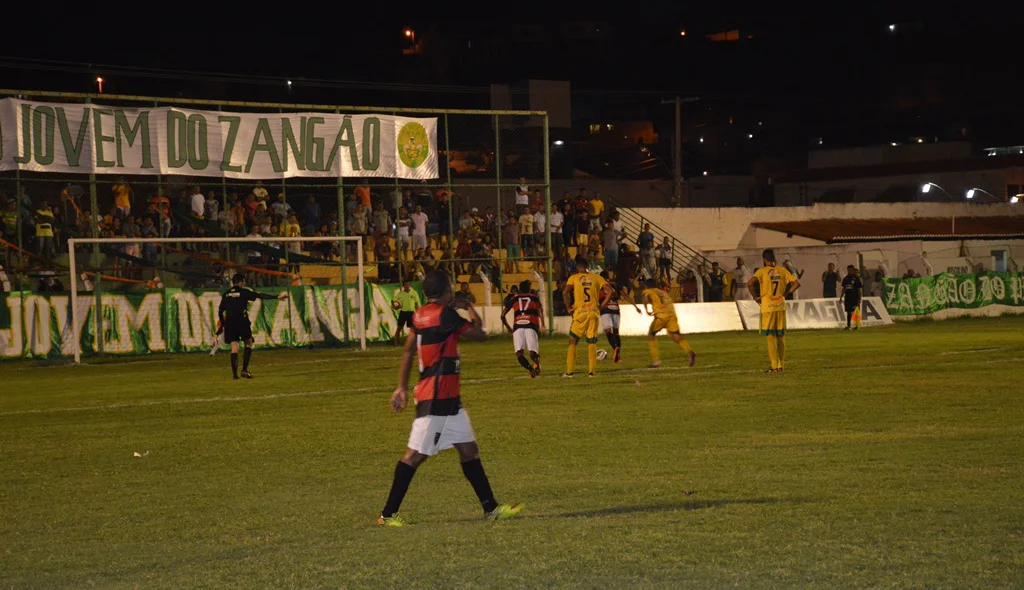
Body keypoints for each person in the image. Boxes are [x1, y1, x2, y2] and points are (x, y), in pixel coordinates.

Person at [378, 271, 522, 526]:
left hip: (446, 397)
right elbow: (480, 334)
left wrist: (401, 387)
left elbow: (409, 349)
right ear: (446, 291)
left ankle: (490, 508)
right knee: (413, 456)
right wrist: (468, 307)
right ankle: (387, 514)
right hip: (436, 397)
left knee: (469, 450)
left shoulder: (420, 314)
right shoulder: (445, 315)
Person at [217, 274, 288, 379]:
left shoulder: (226, 294)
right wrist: (276, 297)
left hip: (230, 323)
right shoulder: (243, 292)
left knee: (234, 347)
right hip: (242, 321)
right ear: (241, 282)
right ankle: (244, 370)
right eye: (243, 281)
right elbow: (259, 295)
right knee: (249, 343)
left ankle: (235, 375)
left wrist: (223, 324)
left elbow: (220, 311)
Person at [747, 249, 800, 374]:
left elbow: (749, 284)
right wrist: (786, 294)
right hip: (780, 306)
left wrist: (755, 297)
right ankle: (781, 365)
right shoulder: (782, 270)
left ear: (764, 259)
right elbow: (796, 284)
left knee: (770, 337)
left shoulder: (761, 271)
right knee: (780, 337)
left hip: (768, 307)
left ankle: (774, 366)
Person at [562, 255, 610, 378]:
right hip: (593, 312)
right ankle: (592, 372)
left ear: (578, 267)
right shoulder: (597, 278)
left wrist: (568, 308)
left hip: (580, 313)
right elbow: (610, 291)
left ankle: (569, 372)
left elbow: (564, 292)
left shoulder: (573, 278)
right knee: (591, 341)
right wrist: (601, 305)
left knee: (573, 341)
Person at [638, 278, 695, 368]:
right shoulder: (662, 292)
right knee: (675, 336)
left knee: (651, 335)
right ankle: (689, 351)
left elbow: (644, 297)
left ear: (647, 285)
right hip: (672, 314)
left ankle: (656, 362)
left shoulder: (647, 290)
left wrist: (646, 310)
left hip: (661, 315)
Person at [501, 279, 545, 378]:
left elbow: (502, 316)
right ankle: (536, 365)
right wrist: (543, 324)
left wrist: (508, 328)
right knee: (533, 352)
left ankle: (530, 369)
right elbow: (540, 310)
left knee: (519, 354)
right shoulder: (534, 297)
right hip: (531, 324)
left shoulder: (514, 298)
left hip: (518, 326)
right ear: (529, 289)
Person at [598, 271, 629, 363]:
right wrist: (635, 306)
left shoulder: (599, 285)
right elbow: (625, 295)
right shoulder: (615, 284)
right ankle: (618, 356)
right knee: (616, 332)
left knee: (608, 331)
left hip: (605, 309)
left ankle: (615, 347)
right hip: (616, 309)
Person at [391, 281, 422, 346]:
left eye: (407, 285)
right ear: (403, 286)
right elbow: (393, 300)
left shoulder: (414, 293)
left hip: (411, 312)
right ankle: (396, 342)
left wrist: (417, 312)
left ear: (409, 285)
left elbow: (416, 303)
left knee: (413, 329)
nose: (406, 286)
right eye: (405, 285)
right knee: (399, 328)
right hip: (403, 312)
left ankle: (413, 343)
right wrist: (395, 306)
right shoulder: (400, 294)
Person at [839, 265, 863, 330]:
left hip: (855, 297)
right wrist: (841, 297)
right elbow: (844, 288)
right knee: (848, 312)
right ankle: (849, 326)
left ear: (853, 270)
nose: (849, 272)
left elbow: (859, 289)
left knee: (856, 311)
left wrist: (859, 298)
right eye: (848, 270)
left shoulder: (856, 278)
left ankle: (857, 326)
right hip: (848, 297)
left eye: (850, 270)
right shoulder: (846, 278)